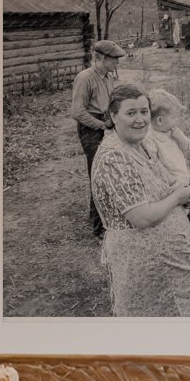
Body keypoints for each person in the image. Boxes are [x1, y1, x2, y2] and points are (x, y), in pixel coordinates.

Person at [89, 85, 190, 317]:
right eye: (131, 113)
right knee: (152, 318)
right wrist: (177, 197)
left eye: (144, 112)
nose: (140, 120)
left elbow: (161, 178)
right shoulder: (113, 157)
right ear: (113, 116)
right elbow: (142, 217)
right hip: (141, 258)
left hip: (169, 250)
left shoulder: (142, 143)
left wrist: (178, 188)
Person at [70, 40, 125, 236]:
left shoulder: (108, 77)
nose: (116, 64)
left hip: (106, 125)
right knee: (98, 175)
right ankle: (98, 227)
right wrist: (102, 126)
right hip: (91, 129)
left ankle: (110, 216)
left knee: (112, 171)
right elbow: (77, 111)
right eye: (113, 60)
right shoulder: (85, 78)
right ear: (101, 58)